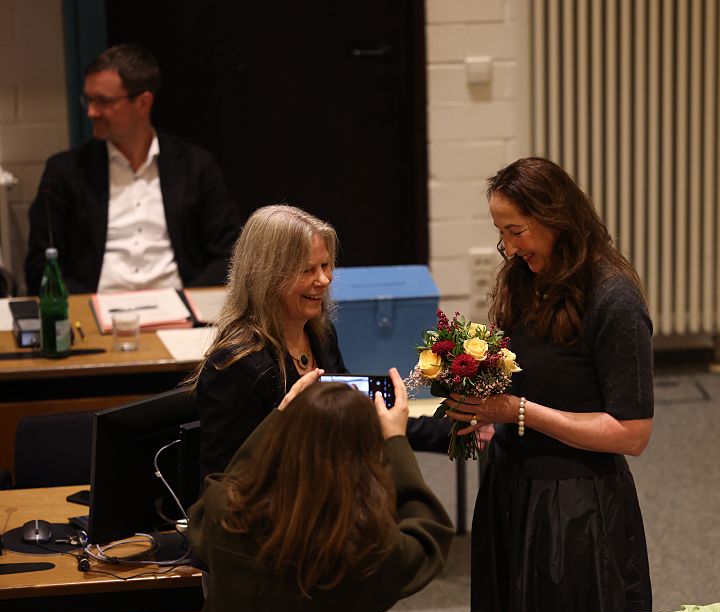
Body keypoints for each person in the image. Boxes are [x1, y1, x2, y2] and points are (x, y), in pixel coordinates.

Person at [446, 157, 655, 612]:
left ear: (556, 217)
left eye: (517, 231)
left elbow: (631, 435)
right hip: (510, 491)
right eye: (501, 233)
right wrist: (480, 409)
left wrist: (518, 412)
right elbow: (523, 382)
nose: (509, 247)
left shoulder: (613, 297)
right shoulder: (521, 280)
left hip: (575, 508)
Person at [186, 366, 455, 612]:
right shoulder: (362, 547)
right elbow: (428, 538)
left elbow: (231, 479)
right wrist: (396, 439)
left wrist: (280, 415)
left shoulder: (223, 513)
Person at [191, 204, 449, 482]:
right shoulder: (235, 365)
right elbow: (225, 482)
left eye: (326, 266)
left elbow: (359, 418)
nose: (324, 280)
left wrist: (447, 431)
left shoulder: (321, 337)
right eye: (307, 270)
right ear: (268, 277)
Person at [25, 44, 239, 294]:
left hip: (180, 310)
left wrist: (187, 304)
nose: (92, 112)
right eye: (89, 100)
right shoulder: (65, 172)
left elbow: (229, 254)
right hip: (95, 311)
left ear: (143, 103)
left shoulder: (196, 166)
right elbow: (40, 266)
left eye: (103, 101)